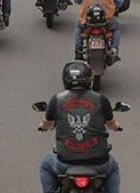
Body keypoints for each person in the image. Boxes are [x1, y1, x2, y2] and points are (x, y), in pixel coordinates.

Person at [37, 61, 123, 193]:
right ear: (89, 79)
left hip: (65, 162)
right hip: (99, 163)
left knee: (45, 164)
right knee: (113, 167)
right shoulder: (101, 100)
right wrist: (117, 126)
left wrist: (42, 127)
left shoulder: (56, 100)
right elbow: (111, 123)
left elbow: (46, 123)